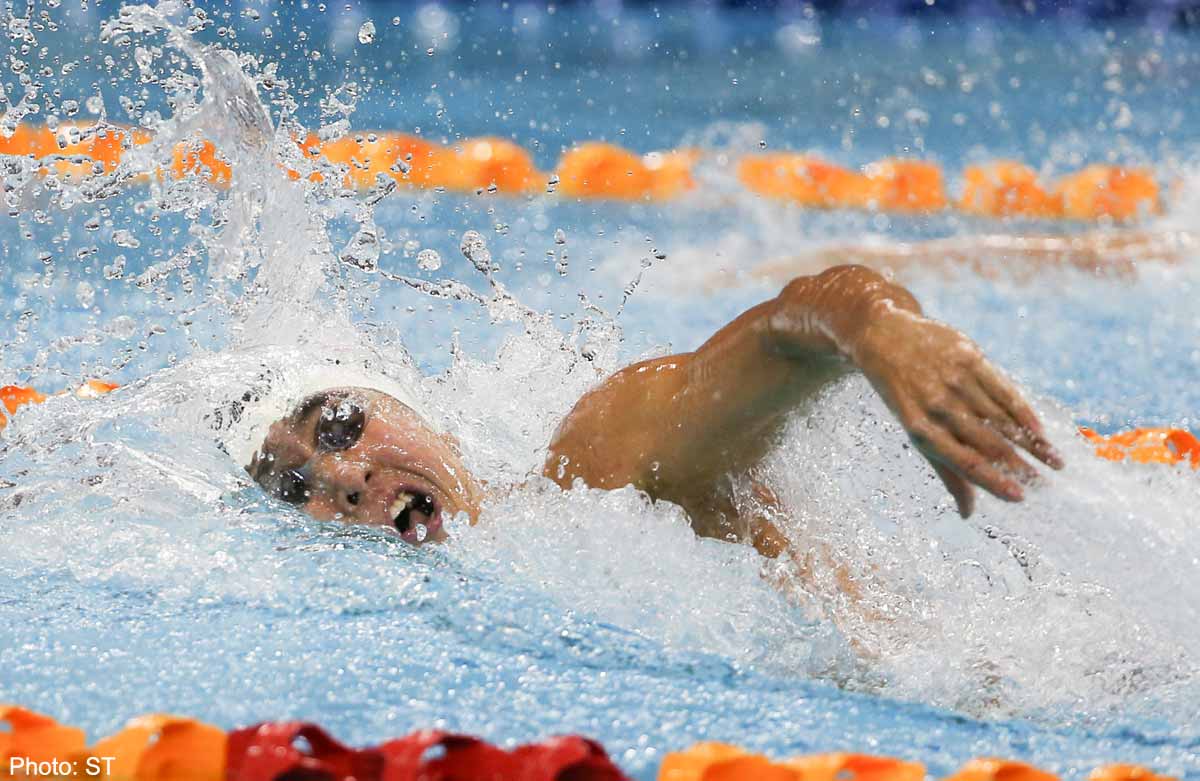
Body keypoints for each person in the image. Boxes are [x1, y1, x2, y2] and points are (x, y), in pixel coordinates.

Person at [244, 264, 1065, 560]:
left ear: (417, 412)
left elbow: (790, 329)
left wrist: (876, 326)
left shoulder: (595, 469)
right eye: (294, 486)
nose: (343, 476)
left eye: (339, 426)